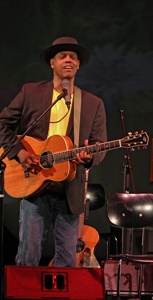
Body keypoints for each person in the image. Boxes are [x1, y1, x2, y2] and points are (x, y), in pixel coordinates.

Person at [0, 37, 107, 266]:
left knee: (68, 262)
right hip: (33, 187)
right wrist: (19, 153)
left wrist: (88, 158)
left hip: (70, 190)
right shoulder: (31, 92)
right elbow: (2, 124)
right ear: (52, 63)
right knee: (28, 258)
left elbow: (99, 145)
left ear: (78, 64)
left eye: (73, 57)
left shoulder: (92, 103)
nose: (68, 59)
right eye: (62, 56)